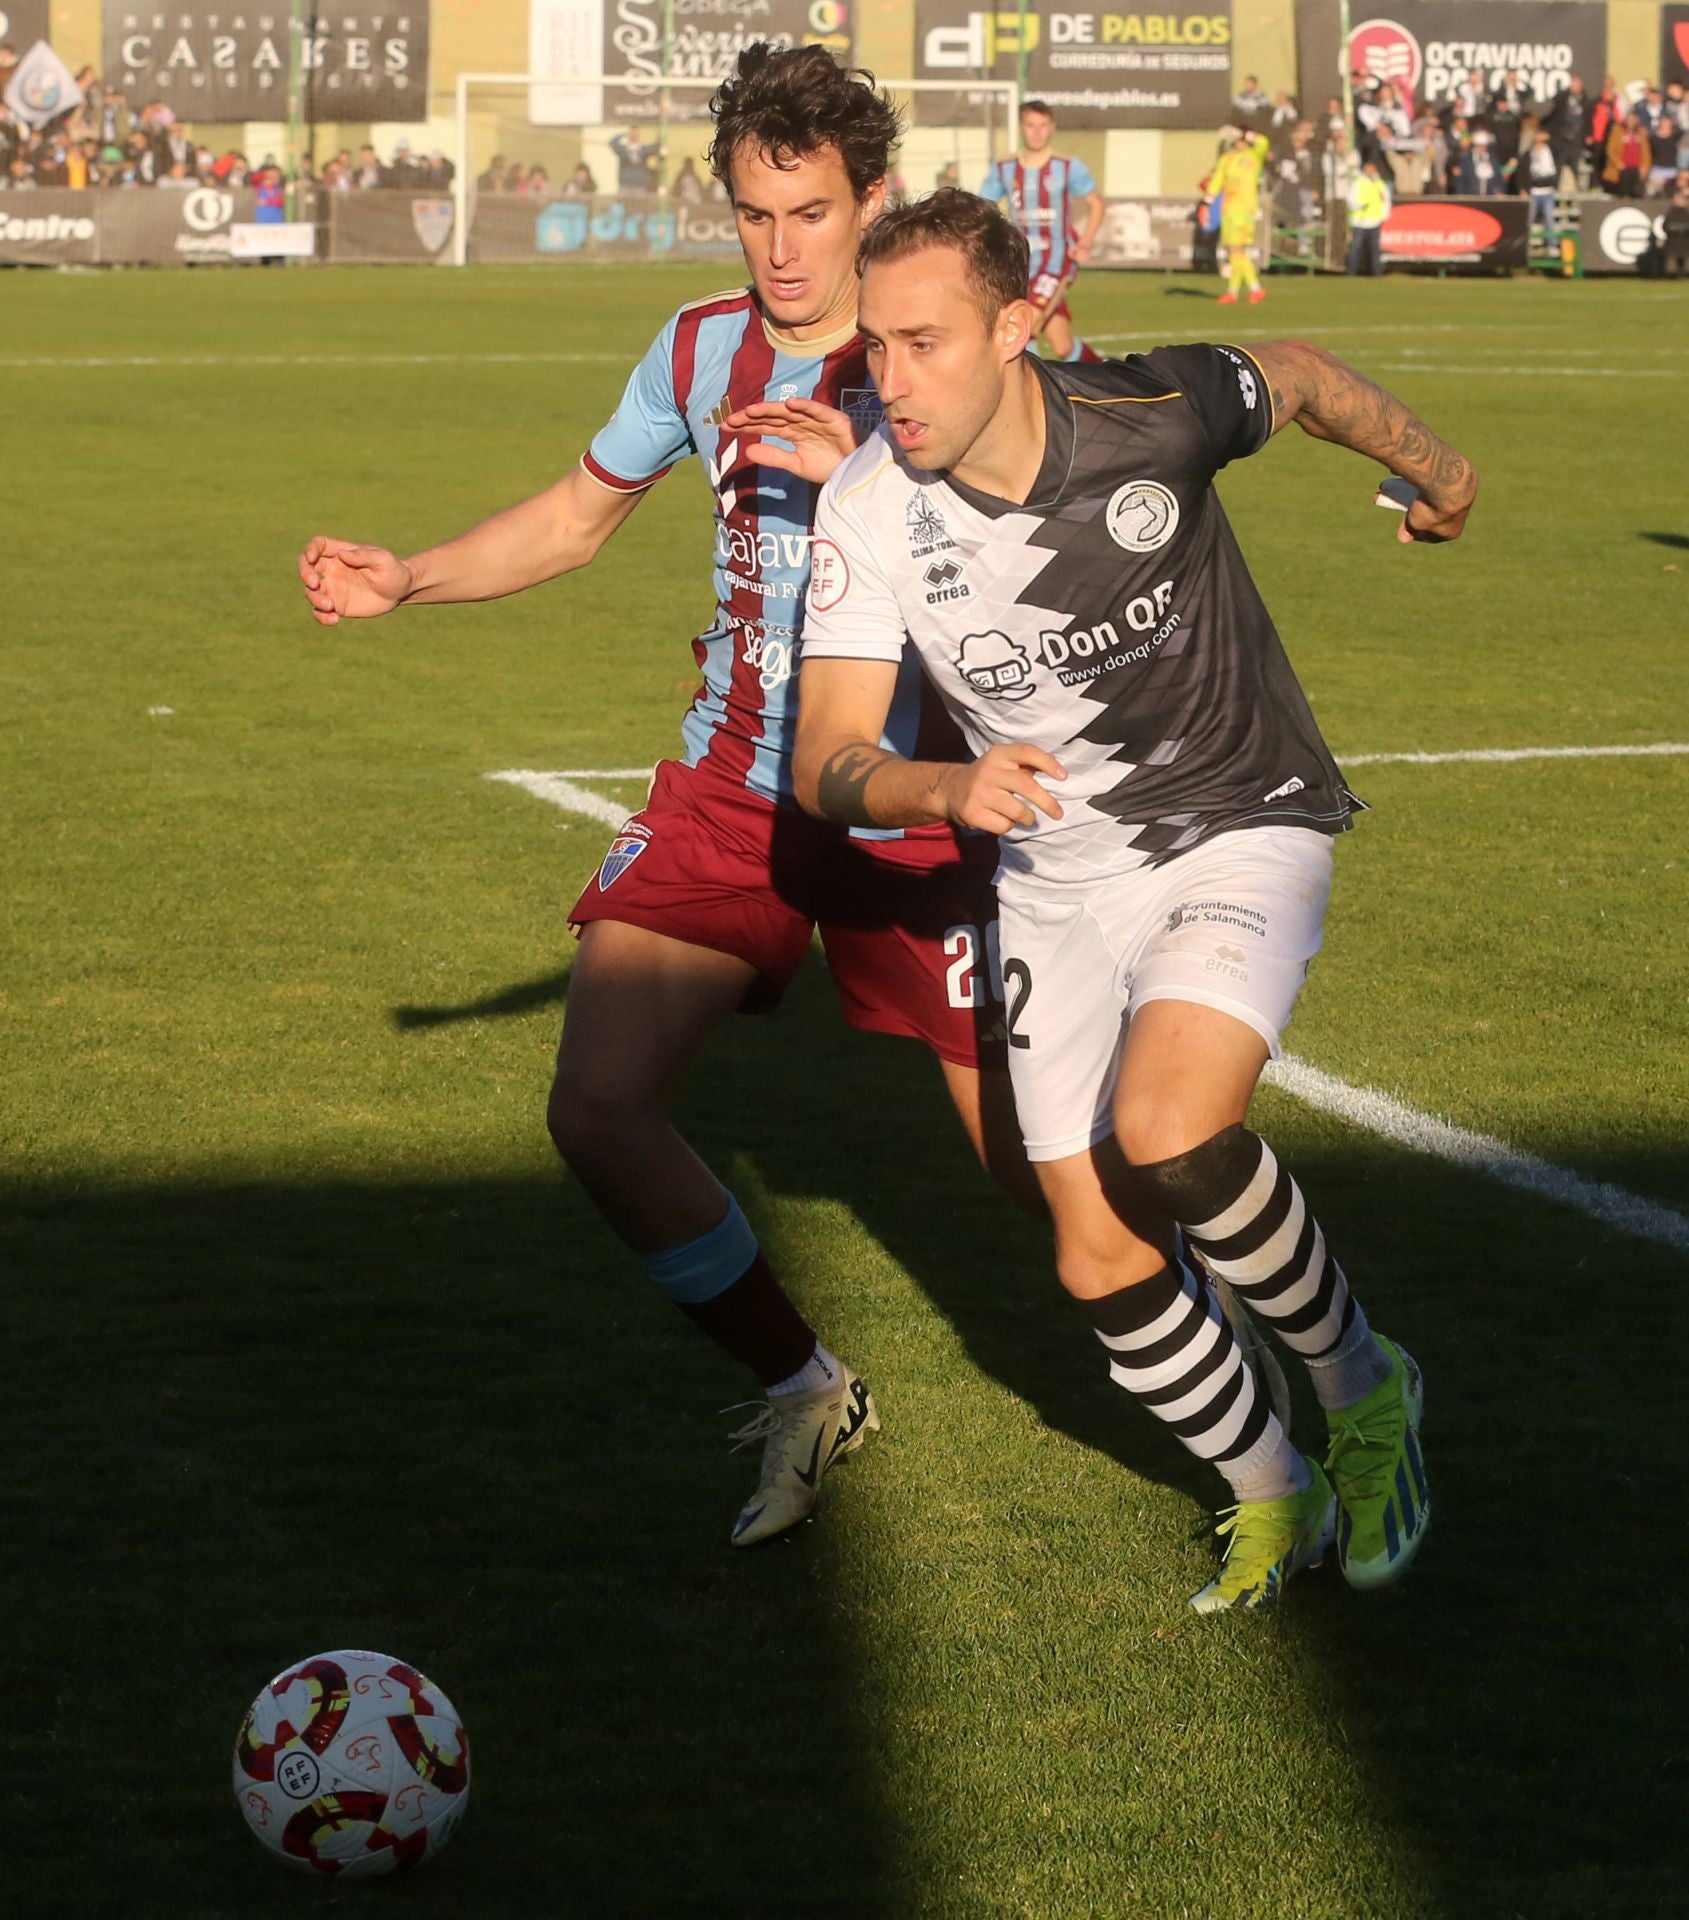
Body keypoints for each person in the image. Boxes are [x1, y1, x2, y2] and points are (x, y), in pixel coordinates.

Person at [296, 47, 1027, 1552]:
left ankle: (1301, 1383)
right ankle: (807, 1386)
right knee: (600, 1108)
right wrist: (412, 576)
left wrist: (877, 487)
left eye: (810, 212)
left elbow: (1045, 557)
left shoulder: (929, 357)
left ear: (871, 198)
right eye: (754, 213)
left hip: (916, 801)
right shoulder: (699, 350)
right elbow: (578, 515)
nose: (780, 249)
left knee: (1047, 1183)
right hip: (734, 789)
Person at [792, 188, 1475, 1611]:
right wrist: (938, 794)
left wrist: (1441, 470)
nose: (887, 381)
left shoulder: (1152, 411)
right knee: (1095, 1250)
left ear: (1021, 326)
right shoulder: (865, 508)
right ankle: (1269, 1490)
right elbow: (827, 758)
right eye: (874, 348)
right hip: (1053, 875)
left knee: (1171, 1130)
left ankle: (1363, 1389)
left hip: (1238, 817)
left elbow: (1298, 373)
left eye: (922, 344)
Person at [979, 99, 1104, 363]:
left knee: (1026, 325)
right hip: (1020, 263)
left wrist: (1084, 244)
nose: (1037, 132)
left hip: (1056, 263)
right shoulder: (1005, 168)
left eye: (1043, 125)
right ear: (1022, 128)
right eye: (1031, 125)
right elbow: (983, 206)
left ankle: (1029, 391)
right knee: (1063, 346)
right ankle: (1104, 373)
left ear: (1052, 128)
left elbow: (1096, 204)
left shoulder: (1067, 166)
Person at [1207, 127, 1270, 304]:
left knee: (1236, 249)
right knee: (1236, 251)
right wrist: (1208, 199)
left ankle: (1245, 290)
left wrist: (1244, 132)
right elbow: (1217, 179)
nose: (1239, 142)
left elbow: (1264, 142)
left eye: (1241, 139)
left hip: (1245, 209)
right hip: (1228, 209)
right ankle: (1242, 291)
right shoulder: (1227, 159)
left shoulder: (1253, 156)